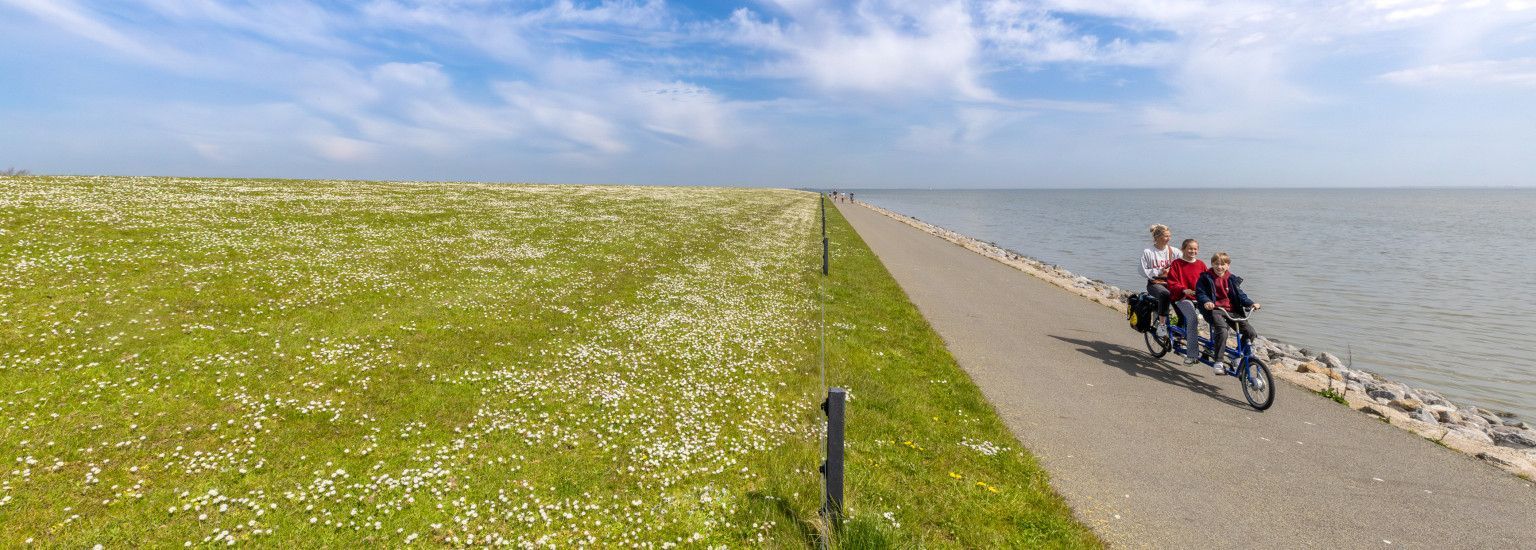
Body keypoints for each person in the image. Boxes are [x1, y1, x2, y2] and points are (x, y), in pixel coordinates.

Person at [1197, 252, 1261, 376]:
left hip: (1232, 310)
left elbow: (1240, 295)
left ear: (1228, 266)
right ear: (1212, 264)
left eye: (1222, 264)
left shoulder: (1231, 279)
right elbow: (1200, 293)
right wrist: (1206, 301)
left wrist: (1251, 304)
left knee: (1250, 332)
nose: (1219, 267)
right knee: (1222, 330)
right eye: (1216, 264)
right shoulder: (1205, 277)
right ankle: (1218, 362)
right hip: (1214, 309)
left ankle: (1234, 355)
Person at [1165, 238, 1207, 366]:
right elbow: (1172, 283)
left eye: (1195, 249)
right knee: (1192, 319)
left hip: (1199, 298)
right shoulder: (1177, 264)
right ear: (1183, 249)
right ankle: (1192, 355)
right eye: (1190, 248)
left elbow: (1208, 282)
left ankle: (1210, 350)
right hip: (1182, 298)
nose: (1192, 251)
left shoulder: (1201, 264)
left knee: (1217, 316)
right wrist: (1184, 290)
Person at [1139, 224, 1177, 339]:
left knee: (1183, 295)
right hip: (1154, 283)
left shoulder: (1174, 251)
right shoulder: (1148, 252)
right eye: (1165, 236)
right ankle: (1162, 326)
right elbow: (1142, 270)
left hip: (1170, 282)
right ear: (1157, 237)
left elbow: (1184, 262)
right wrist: (1159, 272)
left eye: (1169, 236)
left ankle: (1181, 326)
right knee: (1165, 294)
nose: (1168, 239)